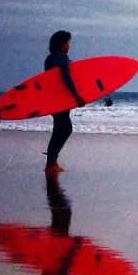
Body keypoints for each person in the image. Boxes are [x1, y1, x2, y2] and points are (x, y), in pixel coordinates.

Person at [44, 30, 86, 174]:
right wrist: (77, 97)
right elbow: (67, 79)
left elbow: (51, 79)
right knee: (65, 129)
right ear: (62, 45)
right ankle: (51, 163)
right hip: (61, 99)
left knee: (59, 129)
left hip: (52, 98)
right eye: (68, 42)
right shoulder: (62, 57)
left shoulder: (49, 59)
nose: (69, 45)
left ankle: (51, 162)